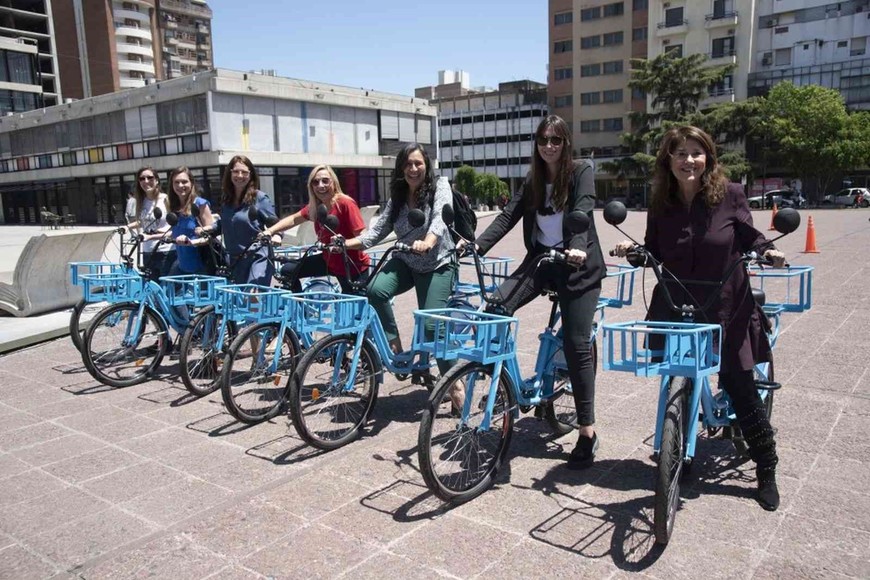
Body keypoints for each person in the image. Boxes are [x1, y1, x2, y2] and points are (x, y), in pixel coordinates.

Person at [612, 125, 786, 511]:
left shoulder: (731, 195)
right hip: (677, 301)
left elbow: (748, 236)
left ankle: (766, 467)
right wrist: (636, 251)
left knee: (739, 384)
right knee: (675, 374)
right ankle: (680, 450)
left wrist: (767, 252)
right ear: (668, 161)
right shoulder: (661, 202)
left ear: (708, 157)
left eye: (696, 152)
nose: (688, 160)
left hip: (726, 303)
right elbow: (654, 248)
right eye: (679, 153)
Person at [466, 114, 606, 470]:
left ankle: (587, 432)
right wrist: (475, 246)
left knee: (576, 343)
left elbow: (582, 211)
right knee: (494, 307)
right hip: (542, 260)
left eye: (556, 140)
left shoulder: (580, 171)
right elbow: (507, 216)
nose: (549, 146)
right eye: (543, 139)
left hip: (577, 266)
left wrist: (576, 246)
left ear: (566, 143)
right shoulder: (533, 178)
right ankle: (504, 387)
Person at [341, 143, 455, 376]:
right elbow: (375, 233)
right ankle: (395, 349)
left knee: (432, 326)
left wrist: (428, 242)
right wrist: (343, 244)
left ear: (427, 165)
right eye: (407, 164)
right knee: (374, 290)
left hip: (437, 263)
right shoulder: (399, 197)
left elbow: (439, 220)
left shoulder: (440, 185)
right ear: (401, 169)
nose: (413, 169)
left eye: (418, 163)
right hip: (406, 260)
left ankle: (454, 384)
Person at [261, 164, 370, 293]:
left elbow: (364, 237)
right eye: (315, 182)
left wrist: (344, 244)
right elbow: (294, 219)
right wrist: (270, 231)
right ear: (311, 186)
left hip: (351, 266)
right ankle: (302, 311)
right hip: (328, 260)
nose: (320, 185)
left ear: (334, 182)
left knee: (348, 308)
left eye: (325, 181)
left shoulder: (345, 204)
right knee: (287, 271)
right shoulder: (315, 206)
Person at [218, 155, 280, 285]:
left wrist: (277, 236)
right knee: (237, 301)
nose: (240, 176)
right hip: (235, 260)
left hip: (257, 259)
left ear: (250, 175)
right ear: (229, 173)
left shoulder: (260, 198)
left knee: (253, 298)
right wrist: (208, 228)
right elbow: (224, 223)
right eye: (236, 171)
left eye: (244, 172)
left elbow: (275, 224)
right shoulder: (226, 199)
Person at [127, 166, 175, 281]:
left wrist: (153, 236)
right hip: (148, 251)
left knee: (166, 290)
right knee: (151, 290)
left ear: (157, 180)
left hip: (166, 251)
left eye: (150, 178)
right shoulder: (141, 201)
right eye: (142, 179)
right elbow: (144, 221)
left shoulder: (165, 200)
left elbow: (175, 226)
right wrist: (127, 226)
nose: (146, 181)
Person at [166, 167, 215, 276]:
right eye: (176, 182)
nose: (180, 186)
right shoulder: (174, 207)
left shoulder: (200, 204)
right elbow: (177, 232)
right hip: (181, 265)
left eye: (184, 182)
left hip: (201, 267)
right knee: (165, 289)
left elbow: (211, 236)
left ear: (191, 183)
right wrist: (152, 236)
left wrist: (191, 242)